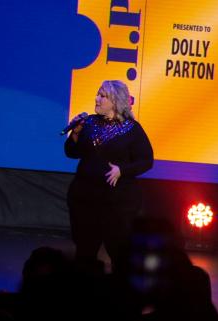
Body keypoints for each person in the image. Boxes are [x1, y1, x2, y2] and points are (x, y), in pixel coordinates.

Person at [64, 80, 154, 276]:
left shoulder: (131, 129)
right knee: (85, 251)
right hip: (85, 199)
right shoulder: (89, 123)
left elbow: (146, 160)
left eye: (102, 96)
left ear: (115, 101)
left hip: (117, 202)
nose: (97, 99)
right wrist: (76, 134)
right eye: (97, 94)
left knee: (119, 252)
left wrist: (122, 170)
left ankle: (119, 295)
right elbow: (71, 152)